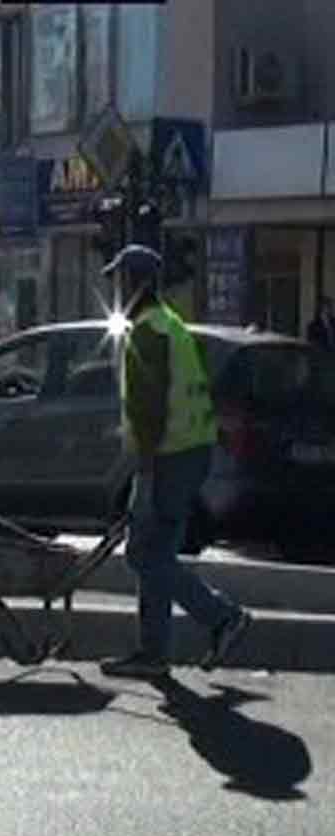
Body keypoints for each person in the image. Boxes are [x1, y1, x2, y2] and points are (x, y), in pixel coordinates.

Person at [99, 244, 252, 680]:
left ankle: (222, 617)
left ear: (137, 283)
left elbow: (150, 407)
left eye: (121, 279)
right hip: (190, 452)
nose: (116, 287)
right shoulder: (171, 325)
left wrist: (143, 468)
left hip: (168, 457)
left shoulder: (148, 331)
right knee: (156, 553)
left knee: (144, 555)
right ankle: (153, 653)